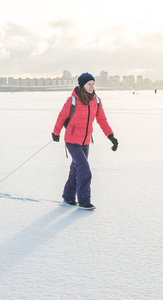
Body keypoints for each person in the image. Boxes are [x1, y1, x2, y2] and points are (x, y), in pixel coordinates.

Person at [52, 72, 118, 210]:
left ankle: (68, 197)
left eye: (93, 84)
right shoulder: (72, 101)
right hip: (72, 140)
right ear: (82, 85)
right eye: (89, 84)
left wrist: (111, 136)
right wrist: (56, 133)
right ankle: (83, 200)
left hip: (85, 141)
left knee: (76, 169)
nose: (91, 87)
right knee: (84, 169)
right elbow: (61, 117)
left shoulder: (96, 101)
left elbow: (102, 120)